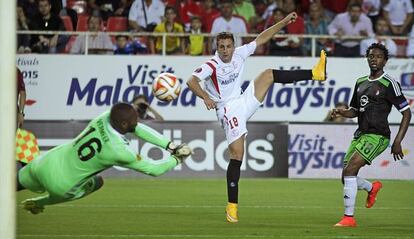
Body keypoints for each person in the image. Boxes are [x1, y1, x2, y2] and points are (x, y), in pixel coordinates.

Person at [186, 11, 327, 223]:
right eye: (221, 47)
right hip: (227, 109)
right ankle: (232, 206)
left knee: (268, 74)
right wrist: (206, 97)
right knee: (237, 155)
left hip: (243, 100)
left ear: (233, 46)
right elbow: (191, 81)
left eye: (228, 46)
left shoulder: (240, 54)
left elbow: (262, 37)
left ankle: (315, 73)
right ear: (216, 47)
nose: (225, 51)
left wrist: (283, 22)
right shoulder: (211, 65)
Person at [17, 102, 190, 214]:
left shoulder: (104, 117)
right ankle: (41, 202)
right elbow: (154, 169)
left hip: (46, 162)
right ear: (123, 124)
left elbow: (137, 129)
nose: (137, 124)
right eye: (134, 121)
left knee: (11, 183)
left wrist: (170, 145)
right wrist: (177, 158)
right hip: (62, 186)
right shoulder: (120, 152)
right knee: (97, 182)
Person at [332, 43, 411, 227]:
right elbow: (355, 111)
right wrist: (342, 112)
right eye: (371, 56)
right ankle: (371, 187)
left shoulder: (389, 84)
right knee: (346, 176)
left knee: (350, 171)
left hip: (378, 136)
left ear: (385, 60)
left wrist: (398, 141)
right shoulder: (361, 82)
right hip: (360, 134)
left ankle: (348, 218)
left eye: (378, 56)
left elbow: (406, 113)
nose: (373, 59)